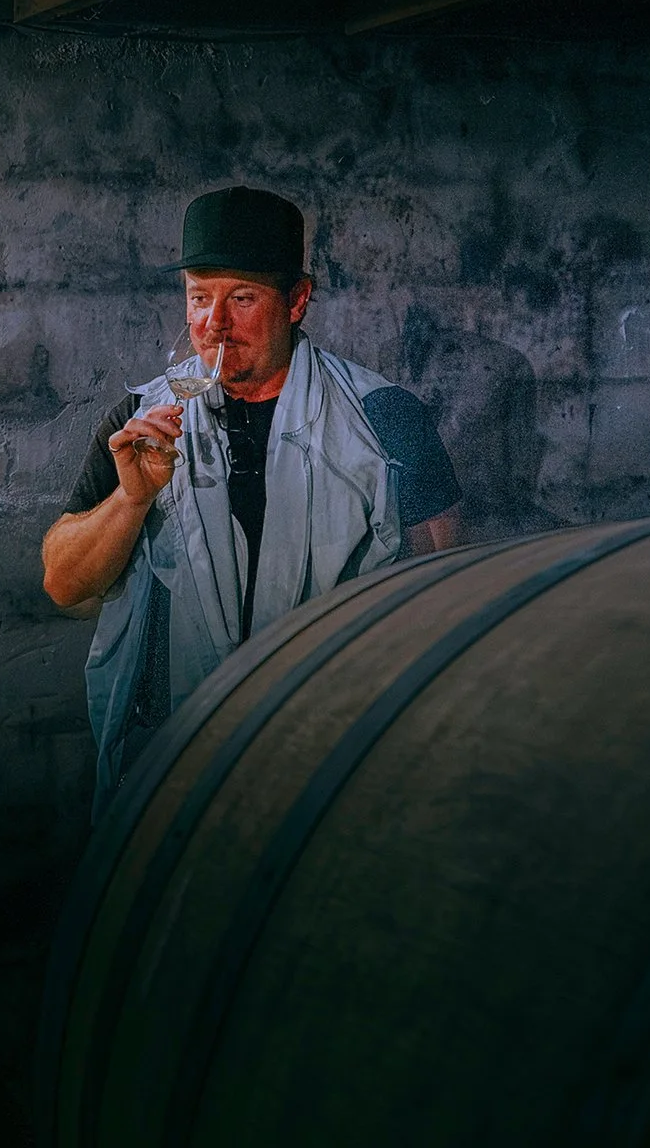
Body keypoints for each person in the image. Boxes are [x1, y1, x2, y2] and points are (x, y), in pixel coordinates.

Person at [43, 186, 463, 819]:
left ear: (296, 301)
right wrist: (131, 501)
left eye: (241, 299)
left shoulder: (382, 421)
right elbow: (63, 584)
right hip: (178, 755)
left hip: (334, 759)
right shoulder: (143, 418)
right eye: (199, 297)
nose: (214, 325)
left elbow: (449, 587)